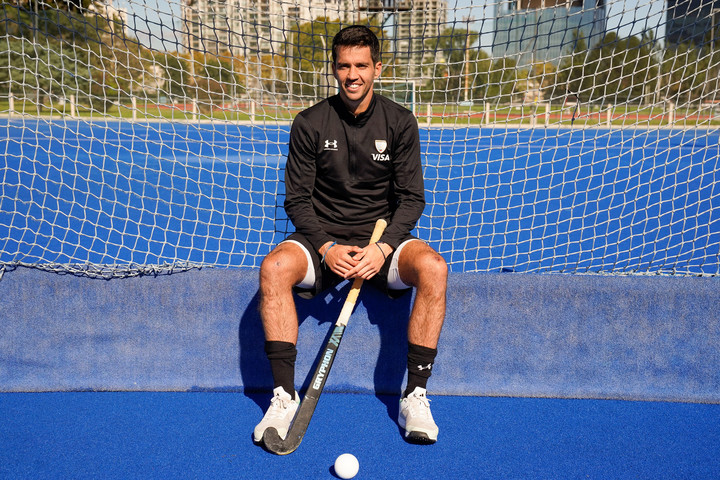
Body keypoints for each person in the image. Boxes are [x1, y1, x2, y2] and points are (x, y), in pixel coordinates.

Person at [253, 25, 447, 445]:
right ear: (334, 69)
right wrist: (325, 246)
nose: (352, 74)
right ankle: (284, 397)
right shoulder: (309, 123)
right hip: (323, 239)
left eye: (361, 65)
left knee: (433, 268)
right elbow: (297, 201)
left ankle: (415, 395)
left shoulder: (400, 121)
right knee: (273, 268)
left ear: (378, 68)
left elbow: (412, 199)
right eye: (344, 66)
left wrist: (383, 248)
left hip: (382, 242)